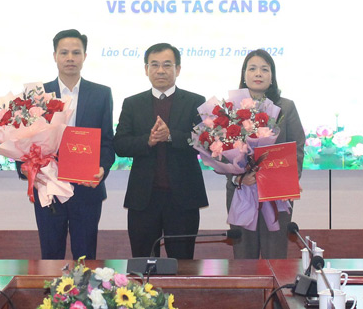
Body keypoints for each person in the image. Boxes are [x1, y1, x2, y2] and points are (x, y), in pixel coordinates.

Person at [114, 43, 208, 259]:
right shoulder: (132, 103)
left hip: (183, 198)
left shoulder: (196, 102)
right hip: (144, 199)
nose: (161, 71)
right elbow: (120, 144)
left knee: (183, 262)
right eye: (154, 65)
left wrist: (171, 136)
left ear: (178, 69)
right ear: (146, 69)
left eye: (167, 65)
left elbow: (204, 142)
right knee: (143, 262)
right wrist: (148, 140)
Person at [31, 29, 115, 260]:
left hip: (86, 189)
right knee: (50, 256)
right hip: (48, 187)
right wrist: (29, 171)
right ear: (55, 56)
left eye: (76, 52)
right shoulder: (39, 94)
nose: (70, 58)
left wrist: (103, 169)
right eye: (64, 52)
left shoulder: (101, 94)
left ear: (84, 56)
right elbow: (26, 140)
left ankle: (86, 297)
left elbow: (107, 141)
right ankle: (49, 298)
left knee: (86, 258)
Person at [227, 49, 305, 259]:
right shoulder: (230, 109)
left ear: (272, 76)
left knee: (276, 258)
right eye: (252, 68)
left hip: (277, 193)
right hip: (243, 190)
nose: (258, 74)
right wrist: (239, 176)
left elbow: (297, 146)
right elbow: (221, 150)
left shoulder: (286, 107)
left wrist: (288, 178)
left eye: (264, 69)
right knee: (244, 259)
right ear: (244, 75)